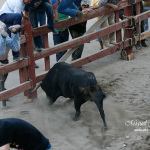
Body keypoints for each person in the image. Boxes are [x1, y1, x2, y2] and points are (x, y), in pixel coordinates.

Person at [0, 24, 21, 90]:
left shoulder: (5, 35)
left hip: (4, 60)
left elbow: (15, 48)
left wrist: (14, 34)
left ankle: (2, 89)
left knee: (2, 80)